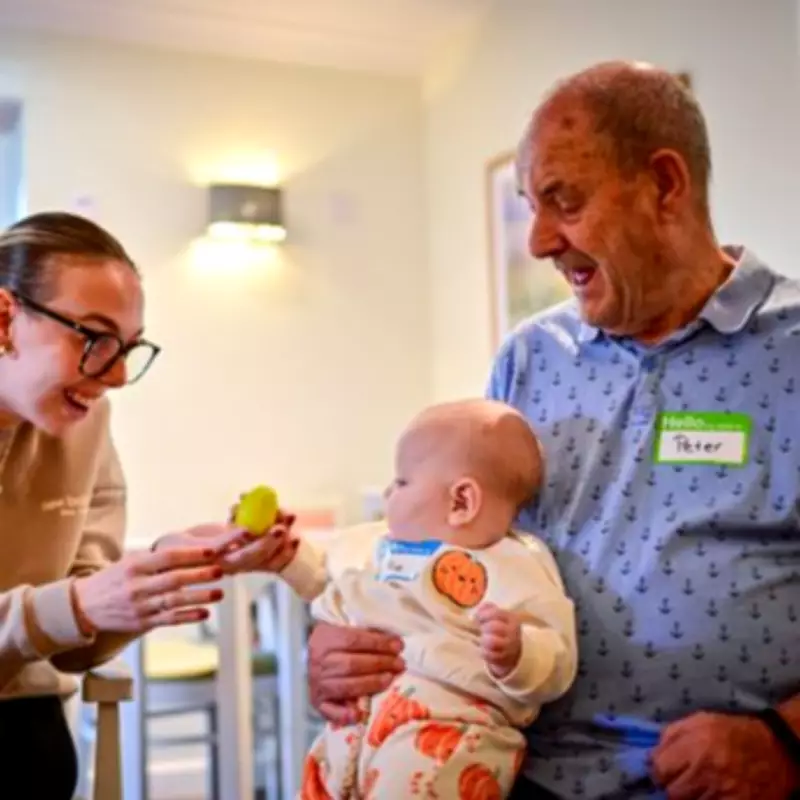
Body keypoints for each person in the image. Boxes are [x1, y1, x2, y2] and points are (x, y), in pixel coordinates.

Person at [302, 61, 800, 799]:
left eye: (563, 202)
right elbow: (449, 548)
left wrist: (785, 743)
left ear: (665, 185)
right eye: (530, 206)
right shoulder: (530, 359)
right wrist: (348, 643)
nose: (537, 240)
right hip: (504, 770)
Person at [0, 211, 291, 799]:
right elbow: (64, 609)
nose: (117, 375)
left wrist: (164, 571)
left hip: (21, 732)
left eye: (129, 348)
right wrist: (73, 605)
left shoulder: (85, 421)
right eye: (94, 338)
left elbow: (77, 643)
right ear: (5, 318)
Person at [260, 399, 576, 798]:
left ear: (461, 502)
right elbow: (326, 575)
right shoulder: (376, 544)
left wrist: (518, 652)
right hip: (353, 730)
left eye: (402, 481)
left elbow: (556, 650)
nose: (390, 491)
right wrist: (284, 552)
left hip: (448, 731)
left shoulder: (514, 563)